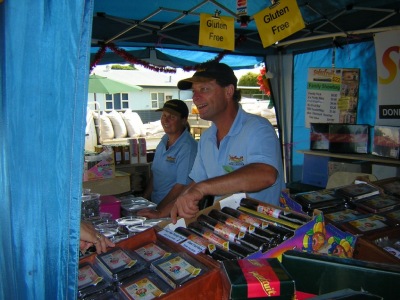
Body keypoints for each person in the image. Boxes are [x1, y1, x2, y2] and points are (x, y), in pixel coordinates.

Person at [169, 62, 286, 223]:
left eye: (204, 89)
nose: (195, 97)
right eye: (194, 91)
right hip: (225, 227)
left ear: (228, 91)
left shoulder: (258, 128)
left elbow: (266, 174)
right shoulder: (207, 137)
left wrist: (202, 188)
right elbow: (196, 181)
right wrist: (165, 211)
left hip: (265, 230)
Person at [136, 99, 198, 219]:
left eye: (172, 117)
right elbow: (155, 175)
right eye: (164, 115)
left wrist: (159, 211)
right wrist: (143, 200)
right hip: (155, 207)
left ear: (184, 120)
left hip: (172, 212)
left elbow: (181, 187)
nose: (166, 120)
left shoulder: (188, 148)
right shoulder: (163, 141)